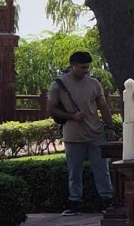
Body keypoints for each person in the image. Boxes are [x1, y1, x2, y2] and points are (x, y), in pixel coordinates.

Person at [48, 50, 114, 215]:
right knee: (74, 172)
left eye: (88, 67)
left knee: (102, 171)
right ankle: (74, 203)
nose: (86, 70)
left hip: (96, 133)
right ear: (73, 66)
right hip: (73, 135)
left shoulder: (94, 83)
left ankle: (108, 202)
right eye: (83, 67)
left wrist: (110, 126)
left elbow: (103, 107)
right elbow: (51, 109)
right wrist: (72, 116)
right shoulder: (58, 84)